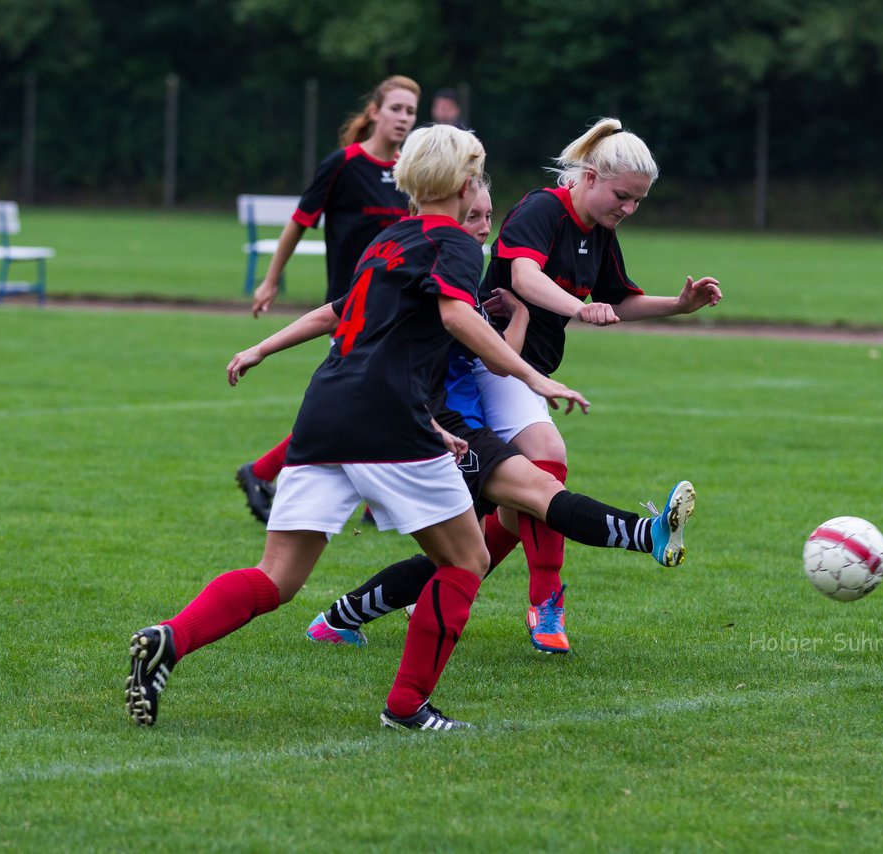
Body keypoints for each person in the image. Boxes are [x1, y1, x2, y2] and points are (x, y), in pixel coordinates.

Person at [126, 124, 590, 731]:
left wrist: (263, 347)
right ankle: (406, 707)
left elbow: (337, 313)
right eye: (474, 171)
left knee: (278, 577)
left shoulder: (388, 240)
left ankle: (172, 638)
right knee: (465, 561)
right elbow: (456, 316)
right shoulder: (453, 242)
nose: (479, 183)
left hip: (325, 412)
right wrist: (535, 378)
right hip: (387, 419)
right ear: (456, 181)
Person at [303, 185, 696, 649]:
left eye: (489, 214)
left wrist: (520, 319)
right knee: (538, 493)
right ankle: (645, 533)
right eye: (474, 216)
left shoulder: (463, 278)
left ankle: (336, 620)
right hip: (444, 429)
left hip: (469, 426)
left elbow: (491, 357)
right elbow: (339, 316)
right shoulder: (431, 268)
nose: (487, 227)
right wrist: (537, 377)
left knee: (469, 553)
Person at [470, 117, 723, 654]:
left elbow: (620, 299)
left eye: (638, 202)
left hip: (525, 371)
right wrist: (580, 309)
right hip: (487, 361)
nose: (628, 209)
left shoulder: (599, 234)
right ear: (588, 176)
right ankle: (545, 605)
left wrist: (678, 306)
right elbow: (522, 276)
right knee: (547, 455)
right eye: (622, 196)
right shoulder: (544, 208)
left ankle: (425, 593)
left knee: (519, 513)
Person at [236, 75, 421, 520]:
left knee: (380, 399)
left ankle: (271, 473)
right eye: (396, 108)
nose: (403, 118)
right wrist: (271, 279)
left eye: (411, 112)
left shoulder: (409, 172)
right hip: (348, 306)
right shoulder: (342, 164)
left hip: (398, 304)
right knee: (361, 401)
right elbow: (299, 222)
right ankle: (266, 472)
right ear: (374, 112)